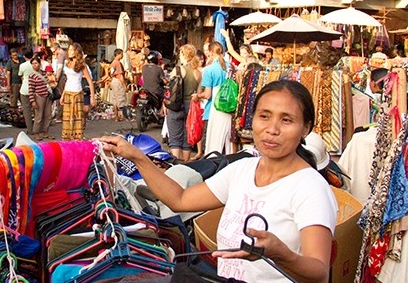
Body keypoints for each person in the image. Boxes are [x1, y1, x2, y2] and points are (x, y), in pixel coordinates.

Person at [100, 80, 337, 282]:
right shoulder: (242, 170)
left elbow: (319, 273)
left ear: (305, 128)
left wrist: (281, 253)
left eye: (286, 120)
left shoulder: (310, 187)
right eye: (264, 116)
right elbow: (179, 199)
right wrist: (136, 156)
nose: (272, 129)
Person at [195, 41, 233, 155]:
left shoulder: (210, 70)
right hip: (229, 109)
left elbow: (207, 94)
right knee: (227, 146)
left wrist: (197, 96)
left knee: (213, 145)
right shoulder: (230, 67)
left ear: (210, 53)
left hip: (213, 110)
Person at [166, 44, 202, 162]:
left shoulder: (178, 69)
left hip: (176, 105)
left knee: (175, 138)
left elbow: (170, 90)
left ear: (184, 55)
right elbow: (198, 93)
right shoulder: (198, 73)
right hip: (190, 106)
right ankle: (186, 163)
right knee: (187, 137)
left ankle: (175, 165)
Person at [60, 43, 96, 140]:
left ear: (77, 52)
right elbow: (67, 80)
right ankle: (67, 141)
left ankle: (78, 140)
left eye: (72, 50)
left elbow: (89, 81)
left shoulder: (82, 65)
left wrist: (92, 96)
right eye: (69, 50)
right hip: (68, 93)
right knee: (67, 119)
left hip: (78, 94)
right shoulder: (67, 64)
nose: (69, 52)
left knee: (78, 118)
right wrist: (62, 95)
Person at [28, 57, 53, 141]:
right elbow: (31, 89)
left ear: (40, 64)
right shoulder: (32, 76)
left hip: (47, 96)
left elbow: (48, 83)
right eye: (33, 64)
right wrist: (33, 101)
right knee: (39, 115)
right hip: (39, 96)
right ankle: (36, 132)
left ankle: (46, 131)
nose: (34, 65)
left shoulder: (44, 73)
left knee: (48, 114)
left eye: (36, 63)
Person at [18, 49, 35, 135]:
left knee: (27, 110)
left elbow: (21, 76)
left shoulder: (22, 65)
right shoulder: (37, 64)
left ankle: (30, 129)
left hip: (25, 89)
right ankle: (38, 128)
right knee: (37, 110)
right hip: (36, 89)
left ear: (24, 56)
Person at [109, 49, 128, 122]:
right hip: (118, 81)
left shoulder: (113, 63)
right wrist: (124, 85)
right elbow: (120, 75)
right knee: (121, 98)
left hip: (113, 81)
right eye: (122, 54)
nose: (122, 55)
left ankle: (116, 117)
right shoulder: (117, 63)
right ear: (118, 54)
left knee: (115, 99)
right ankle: (125, 117)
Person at [51, 41, 67, 123]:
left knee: (60, 95)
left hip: (60, 77)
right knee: (58, 96)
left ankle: (60, 116)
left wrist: (56, 78)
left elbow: (60, 67)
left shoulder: (61, 53)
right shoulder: (58, 54)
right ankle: (59, 115)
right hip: (58, 76)